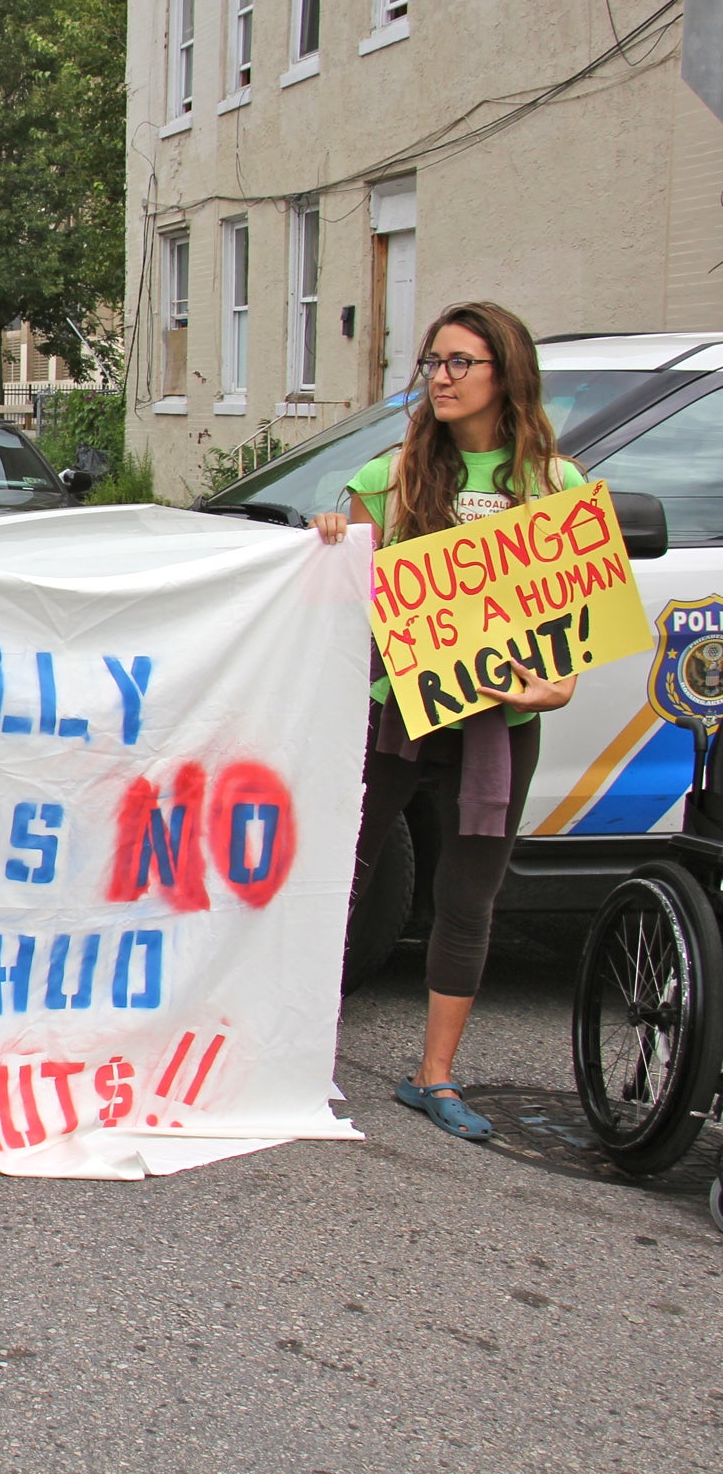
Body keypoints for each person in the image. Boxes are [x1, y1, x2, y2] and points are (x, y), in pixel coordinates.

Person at [314, 299, 586, 1143]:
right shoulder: (384, 481)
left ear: (508, 374)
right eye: (432, 362)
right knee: (336, 881)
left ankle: (435, 1077)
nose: (440, 376)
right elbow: (340, 605)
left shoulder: (556, 489)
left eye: (459, 362)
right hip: (391, 718)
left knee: (468, 897)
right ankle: (292, 1053)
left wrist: (553, 688)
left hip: (495, 730)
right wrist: (327, 537)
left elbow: (565, 640)